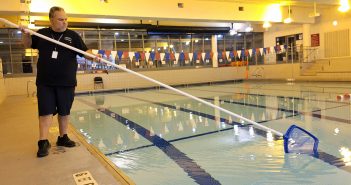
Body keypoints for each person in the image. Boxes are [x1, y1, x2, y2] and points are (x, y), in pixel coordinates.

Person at [21, 6, 99, 157]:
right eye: (60, 19)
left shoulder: (73, 36)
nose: (64, 22)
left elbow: (85, 51)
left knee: (64, 112)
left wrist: (94, 56)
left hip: (67, 82)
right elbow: (27, 44)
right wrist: (25, 34)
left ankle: (63, 137)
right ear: (51, 20)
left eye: (66, 19)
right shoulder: (42, 34)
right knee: (45, 112)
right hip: (45, 82)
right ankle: (43, 142)